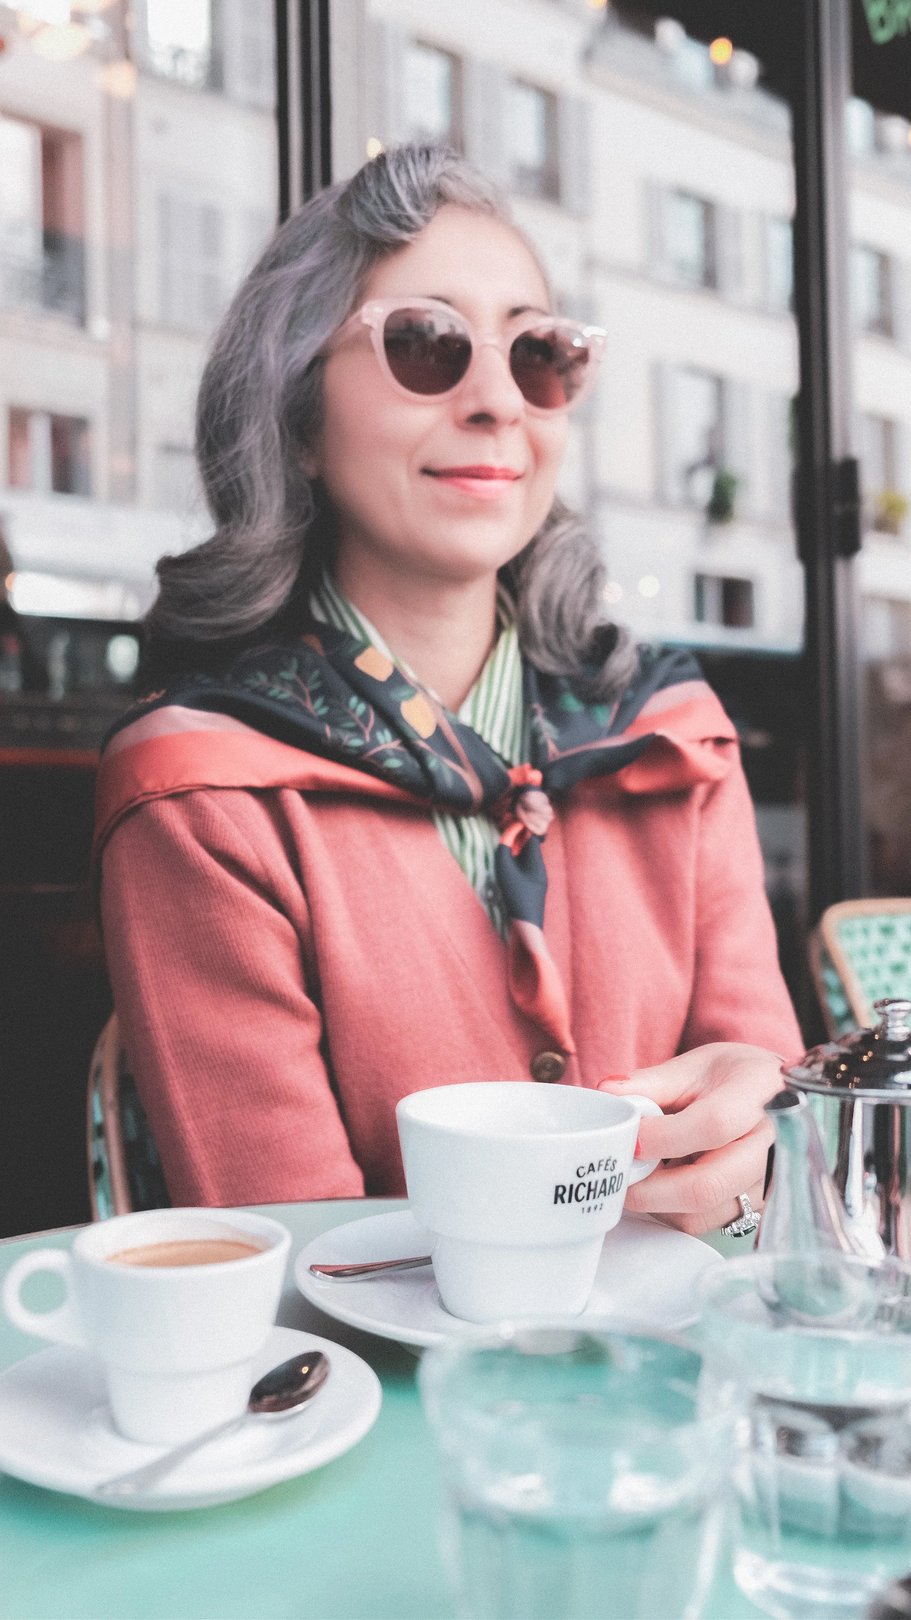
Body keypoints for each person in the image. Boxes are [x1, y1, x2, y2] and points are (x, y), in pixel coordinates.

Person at [95, 144, 802, 1233]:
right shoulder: (204, 794)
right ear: (295, 417)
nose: (494, 402)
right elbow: (290, 1263)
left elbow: (776, 1136)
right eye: (426, 345)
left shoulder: (671, 739)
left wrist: (766, 1143)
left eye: (538, 353)